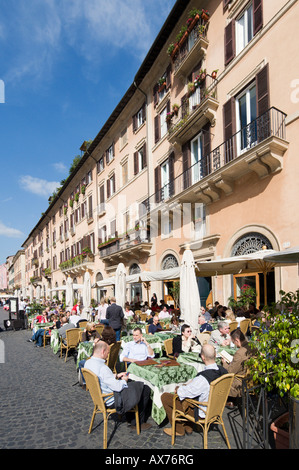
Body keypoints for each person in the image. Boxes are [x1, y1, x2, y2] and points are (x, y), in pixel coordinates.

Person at [161, 344, 228, 437]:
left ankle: (178, 429)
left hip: (202, 412)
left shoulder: (203, 378)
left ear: (202, 357)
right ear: (215, 355)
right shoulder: (223, 372)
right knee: (192, 394)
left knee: (166, 397)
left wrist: (178, 388)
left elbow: (183, 393)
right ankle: (189, 426)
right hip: (216, 409)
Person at [83, 341, 152, 430]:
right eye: (108, 353)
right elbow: (118, 387)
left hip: (99, 398)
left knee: (132, 383)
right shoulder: (103, 368)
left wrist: (116, 375)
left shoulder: (87, 363)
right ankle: (137, 422)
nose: (108, 356)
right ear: (103, 351)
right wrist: (124, 380)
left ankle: (130, 417)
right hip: (111, 399)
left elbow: (101, 378)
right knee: (145, 388)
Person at [221, 328, 255, 407]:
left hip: (242, 382)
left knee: (221, 377)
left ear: (237, 340)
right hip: (253, 379)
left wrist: (224, 363)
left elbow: (230, 371)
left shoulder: (239, 353)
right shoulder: (252, 346)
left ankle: (230, 401)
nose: (235, 345)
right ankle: (231, 401)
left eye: (233, 342)